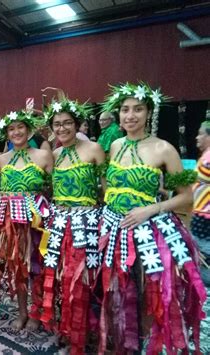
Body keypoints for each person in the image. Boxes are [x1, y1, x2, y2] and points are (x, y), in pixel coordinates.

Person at [98, 82, 206, 353]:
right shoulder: (115, 146)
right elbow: (109, 185)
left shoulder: (164, 149)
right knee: (117, 288)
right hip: (114, 226)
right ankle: (121, 339)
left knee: (148, 289)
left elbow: (186, 197)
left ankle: (145, 341)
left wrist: (151, 208)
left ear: (148, 112)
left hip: (149, 229)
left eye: (138, 109)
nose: (130, 115)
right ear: (118, 114)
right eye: (125, 110)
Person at [41, 98, 105, 353]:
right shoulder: (55, 154)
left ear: (78, 124)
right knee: (60, 276)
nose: (62, 128)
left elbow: (106, 189)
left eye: (67, 123)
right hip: (58, 222)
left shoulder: (94, 149)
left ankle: (87, 330)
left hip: (87, 223)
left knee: (84, 278)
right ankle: (66, 327)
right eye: (57, 124)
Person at [0, 110, 53, 331]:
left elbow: (54, 186)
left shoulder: (43, 155)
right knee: (16, 267)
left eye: (20, 127)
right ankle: (22, 311)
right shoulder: (1, 159)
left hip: (34, 219)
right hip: (9, 221)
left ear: (30, 130)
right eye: (11, 129)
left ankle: (36, 312)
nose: (16, 132)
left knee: (35, 265)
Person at [192, 120, 210, 286]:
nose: (197, 137)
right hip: (200, 213)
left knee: (204, 254)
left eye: (200, 133)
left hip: (207, 216)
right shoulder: (205, 155)